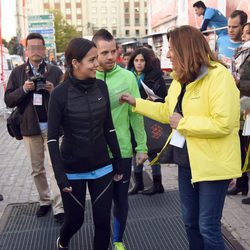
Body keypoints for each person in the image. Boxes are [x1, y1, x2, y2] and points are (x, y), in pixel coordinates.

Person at [120, 25, 242, 250]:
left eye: (171, 48)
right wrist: (136, 103)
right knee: (189, 222)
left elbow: (224, 124)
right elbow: (168, 113)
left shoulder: (219, 77)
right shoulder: (179, 80)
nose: (167, 54)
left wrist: (183, 123)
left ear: (186, 49)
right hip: (187, 162)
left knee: (208, 226)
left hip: (213, 165)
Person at [47, 38, 122, 250]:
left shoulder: (101, 86)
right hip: (72, 170)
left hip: (102, 167)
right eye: (92, 59)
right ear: (75, 63)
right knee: (75, 220)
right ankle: (62, 242)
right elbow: (52, 139)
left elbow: (109, 127)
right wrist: (60, 176)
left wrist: (117, 160)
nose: (97, 63)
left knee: (102, 222)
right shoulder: (59, 94)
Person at [92, 29, 148, 250]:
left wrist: (141, 147)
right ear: (94, 53)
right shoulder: (88, 77)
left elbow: (136, 115)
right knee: (100, 204)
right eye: (104, 52)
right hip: (95, 153)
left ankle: (118, 240)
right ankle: (101, 241)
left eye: (113, 51)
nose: (109, 57)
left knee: (120, 199)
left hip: (122, 152)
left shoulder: (127, 77)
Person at [4, 33, 64, 223]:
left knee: (55, 167)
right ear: (27, 50)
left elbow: (67, 98)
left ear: (44, 49)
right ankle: (44, 200)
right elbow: (8, 100)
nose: (36, 51)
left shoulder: (55, 71)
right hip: (30, 128)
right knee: (37, 169)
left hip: (53, 128)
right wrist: (24, 89)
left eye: (40, 47)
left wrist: (53, 90)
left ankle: (59, 206)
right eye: (32, 47)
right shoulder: (18, 73)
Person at [127, 47, 167, 195]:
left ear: (146, 62)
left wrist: (152, 100)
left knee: (153, 150)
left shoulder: (155, 76)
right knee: (135, 149)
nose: (139, 63)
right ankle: (138, 183)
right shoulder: (128, 76)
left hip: (151, 118)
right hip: (134, 118)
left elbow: (164, 97)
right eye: (136, 60)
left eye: (142, 60)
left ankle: (158, 183)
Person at [228, 22, 250, 202]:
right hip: (240, 107)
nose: (244, 36)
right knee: (241, 146)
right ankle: (242, 183)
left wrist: (238, 83)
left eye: (248, 33)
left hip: (248, 108)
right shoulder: (241, 53)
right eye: (244, 33)